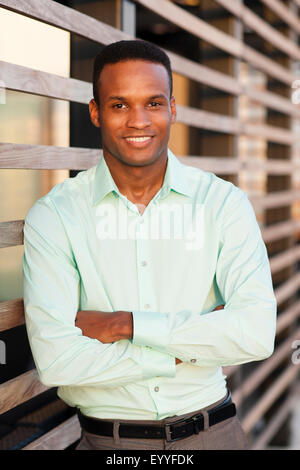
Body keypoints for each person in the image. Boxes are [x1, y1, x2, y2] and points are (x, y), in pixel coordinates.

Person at [23, 40, 277, 451]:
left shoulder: (222, 203)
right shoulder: (55, 216)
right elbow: (56, 360)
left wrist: (124, 324)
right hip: (108, 444)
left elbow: (255, 333)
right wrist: (184, 348)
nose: (138, 120)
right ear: (95, 112)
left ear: (172, 109)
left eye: (153, 103)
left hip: (214, 435)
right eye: (120, 105)